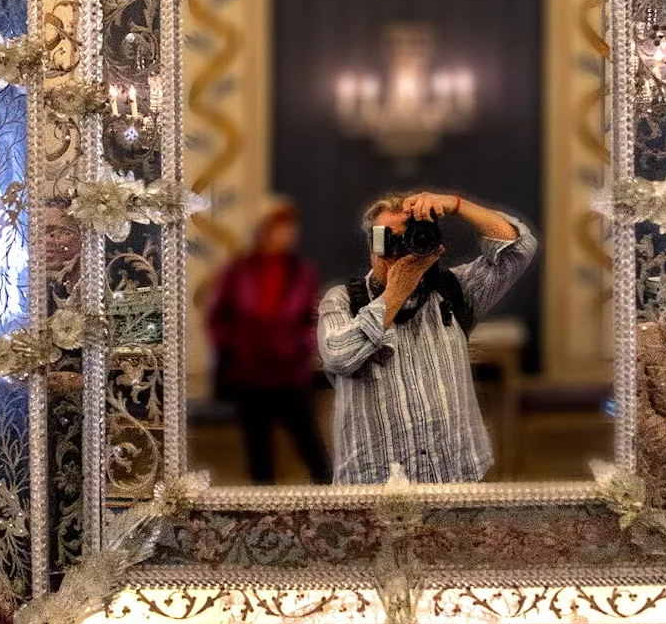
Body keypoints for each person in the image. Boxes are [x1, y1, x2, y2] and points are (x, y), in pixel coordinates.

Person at [318, 191, 538, 484]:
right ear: (373, 246)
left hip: (455, 475)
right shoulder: (342, 300)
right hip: (375, 482)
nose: (401, 250)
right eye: (390, 240)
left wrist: (456, 205)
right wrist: (396, 292)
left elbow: (519, 249)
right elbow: (338, 356)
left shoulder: (455, 289)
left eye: (412, 237)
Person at [206, 195, 332, 485]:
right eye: (279, 227)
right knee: (259, 453)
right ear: (262, 230)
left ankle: (334, 503)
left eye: (290, 227)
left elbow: (313, 320)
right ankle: (263, 511)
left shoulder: (302, 273)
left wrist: (300, 345)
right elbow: (218, 317)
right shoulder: (238, 271)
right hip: (249, 375)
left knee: (312, 447)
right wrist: (236, 345)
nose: (286, 233)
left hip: (290, 373)